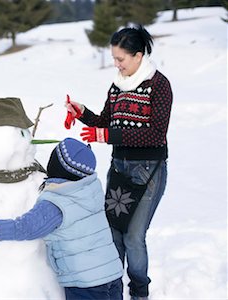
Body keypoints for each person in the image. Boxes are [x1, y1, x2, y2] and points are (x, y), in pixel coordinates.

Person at [65, 25, 172, 300]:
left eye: (120, 59)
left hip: (148, 171)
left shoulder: (159, 86)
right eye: (114, 58)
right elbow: (105, 122)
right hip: (119, 168)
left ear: (138, 56)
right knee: (112, 234)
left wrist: (109, 134)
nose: (116, 64)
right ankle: (113, 292)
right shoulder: (117, 86)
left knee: (134, 238)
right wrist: (83, 113)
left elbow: (155, 134)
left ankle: (139, 294)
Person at [0, 138, 124, 300]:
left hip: (87, 282)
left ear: (58, 166)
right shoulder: (90, 190)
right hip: (112, 273)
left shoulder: (57, 203)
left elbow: (27, 227)